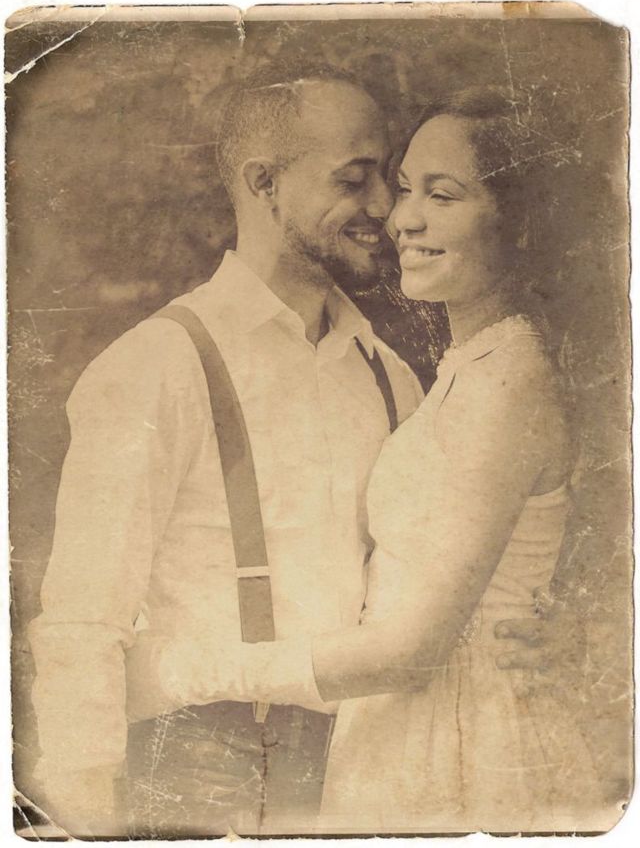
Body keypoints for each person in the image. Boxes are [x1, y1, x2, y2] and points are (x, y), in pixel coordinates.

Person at [28, 68, 556, 838]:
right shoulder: (154, 368)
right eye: (354, 179)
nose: (384, 208)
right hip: (202, 772)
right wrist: (86, 811)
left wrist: (543, 631)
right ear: (263, 183)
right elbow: (81, 623)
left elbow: (433, 573)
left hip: (366, 764)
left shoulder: (390, 375)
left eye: (386, 179)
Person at [141, 89, 606, 833]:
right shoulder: (461, 369)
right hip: (395, 729)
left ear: (520, 221)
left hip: (464, 735)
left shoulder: (512, 380)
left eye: (442, 196)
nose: (402, 218)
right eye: (406, 188)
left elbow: (410, 653)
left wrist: (179, 671)